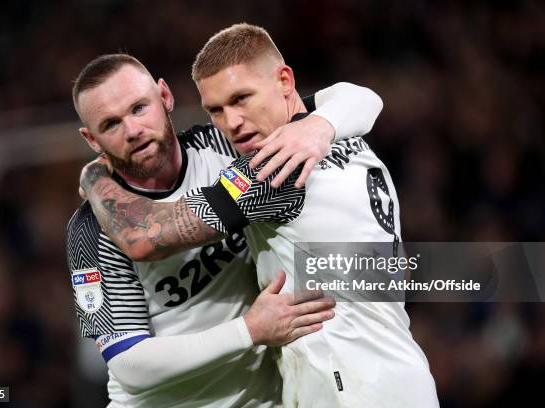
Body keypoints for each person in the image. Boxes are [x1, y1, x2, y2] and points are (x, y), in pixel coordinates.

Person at [80, 24, 439, 407]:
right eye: (216, 109)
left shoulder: (269, 166)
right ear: (91, 137)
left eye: (241, 99)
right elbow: (360, 96)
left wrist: (93, 176)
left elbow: (141, 236)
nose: (231, 122)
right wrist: (321, 124)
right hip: (400, 374)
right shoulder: (342, 132)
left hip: (347, 388)